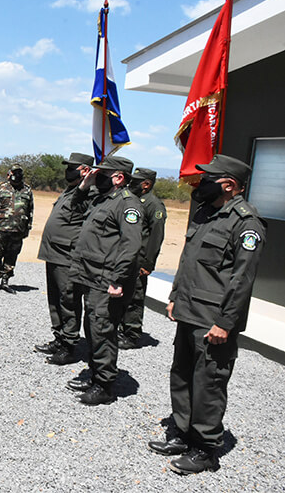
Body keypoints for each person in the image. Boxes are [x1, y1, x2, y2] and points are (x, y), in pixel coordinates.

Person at [148, 155, 265, 475]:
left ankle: (206, 449)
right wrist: (174, 298)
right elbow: (188, 262)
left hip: (213, 319)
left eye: (209, 179)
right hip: (189, 310)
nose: (201, 184)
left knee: (209, 384)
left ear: (228, 185)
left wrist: (225, 323)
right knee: (182, 375)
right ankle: (184, 435)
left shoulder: (246, 223)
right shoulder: (205, 213)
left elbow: (242, 281)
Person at [67, 156, 142, 405]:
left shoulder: (128, 205)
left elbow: (131, 246)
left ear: (118, 177)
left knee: (102, 330)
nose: (96, 177)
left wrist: (118, 279)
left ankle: (105, 385)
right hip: (92, 276)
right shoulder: (102, 200)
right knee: (92, 328)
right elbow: (74, 208)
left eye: (102, 174)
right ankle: (95, 373)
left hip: (107, 279)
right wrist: (85, 185)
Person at [35, 153, 95, 365]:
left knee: (68, 300)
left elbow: (82, 211)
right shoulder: (70, 190)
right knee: (55, 298)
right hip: (54, 253)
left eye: (72, 167)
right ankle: (59, 338)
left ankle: (69, 345)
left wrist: (85, 186)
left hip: (67, 255)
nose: (67, 171)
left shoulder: (88, 192)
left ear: (85, 170)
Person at [120, 167, 167, 349]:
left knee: (135, 297)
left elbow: (156, 236)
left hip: (139, 259)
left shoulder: (153, 205)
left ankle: (131, 334)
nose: (131, 184)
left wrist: (148, 263)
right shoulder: (133, 200)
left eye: (136, 181)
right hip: (127, 257)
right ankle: (122, 328)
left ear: (146, 184)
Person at [0, 164, 34, 293]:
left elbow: (30, 211)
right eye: (14, 173)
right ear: (9, 174)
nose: (16, 175)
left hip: (18, 230)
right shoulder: (1, 188)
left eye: (19, 173)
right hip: (0, 228)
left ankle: (5, 281)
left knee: (12, 256)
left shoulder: (27, 190)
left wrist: (27, 228)